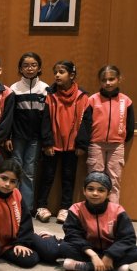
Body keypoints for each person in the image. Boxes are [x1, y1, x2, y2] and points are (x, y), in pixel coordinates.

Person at [60, 172, 137, 271]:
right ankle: (114, 267)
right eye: (90, 189)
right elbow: (72, 235)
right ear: (84, 191)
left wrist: (110, 255)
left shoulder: (118, 210)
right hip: (87, 250)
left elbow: (128, 238)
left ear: (108, 193)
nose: (95, 193)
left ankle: (88, 266)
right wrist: (93, 255)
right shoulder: (76, 209)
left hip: (111, 251)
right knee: (64, 247)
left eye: (101, 190)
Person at [0, 159, 60, 268]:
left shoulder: (16, 193)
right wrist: (11, 246)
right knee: (31, 259)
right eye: (4, 178)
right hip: (4, 245)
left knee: (53, 253)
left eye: (13, 181)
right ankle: (43, 243)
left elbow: (25, 220)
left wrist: (21, 242)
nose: (7, 184)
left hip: (21, 236)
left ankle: (46, 237)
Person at [37, 60, 88, 224]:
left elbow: (85, 122)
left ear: (72, 75)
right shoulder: (50, 94)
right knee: (47, 176)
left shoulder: (82, 96)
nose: (57, 75)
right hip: (52, 145)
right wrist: (47, 143)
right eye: (55, 72)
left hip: (72, 146)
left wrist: (81, 144)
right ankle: (41, 206)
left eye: (61, 72)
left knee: (68, 177)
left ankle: (65, 208)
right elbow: (45, 120)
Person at [76, 65, 134, 205]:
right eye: (104, 80)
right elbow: (85, 123)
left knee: (114, 180)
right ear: (100, 81)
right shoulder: (93, 100)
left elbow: (130, 124)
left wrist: (121, 138)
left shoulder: (126, 101)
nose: (108, 83)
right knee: (95, 178)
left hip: (117, 146)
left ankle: (112, 212)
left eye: (111, 79)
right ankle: (93, 209)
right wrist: (82, 145)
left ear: (119, 79)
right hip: (96, 144)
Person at [8, 52, 53, 216]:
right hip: (18, 137)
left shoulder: (45, 89)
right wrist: (8, 136)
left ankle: (26, 208)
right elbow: (10, 115)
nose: (29, 68)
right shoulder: (14, 88)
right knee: (16, 170)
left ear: (39, 67)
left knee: (29, 172)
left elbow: (47, 118)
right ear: (20, 68)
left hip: (35, 138)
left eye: (33, 65)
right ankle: (13, 205)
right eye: (26, 65)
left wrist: (46, 140)